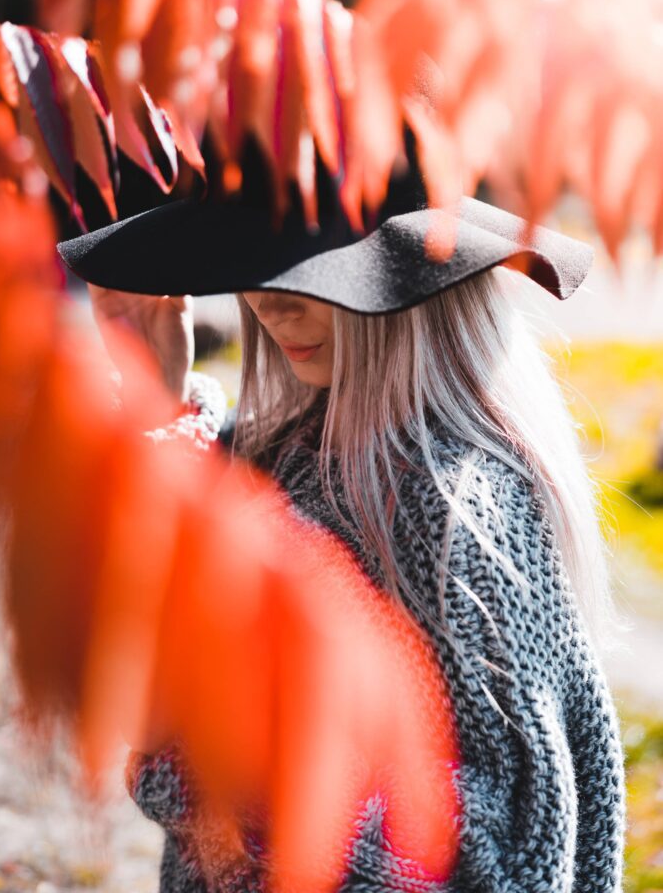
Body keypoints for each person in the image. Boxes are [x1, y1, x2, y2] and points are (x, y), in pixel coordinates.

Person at [58, 136, 627, 892]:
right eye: (251, 267)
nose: (267, 300)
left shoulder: (453, 506)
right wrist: (154, 398)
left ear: (418, 278)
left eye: (311, 274)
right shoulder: (290, 454)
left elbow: (508, 857)